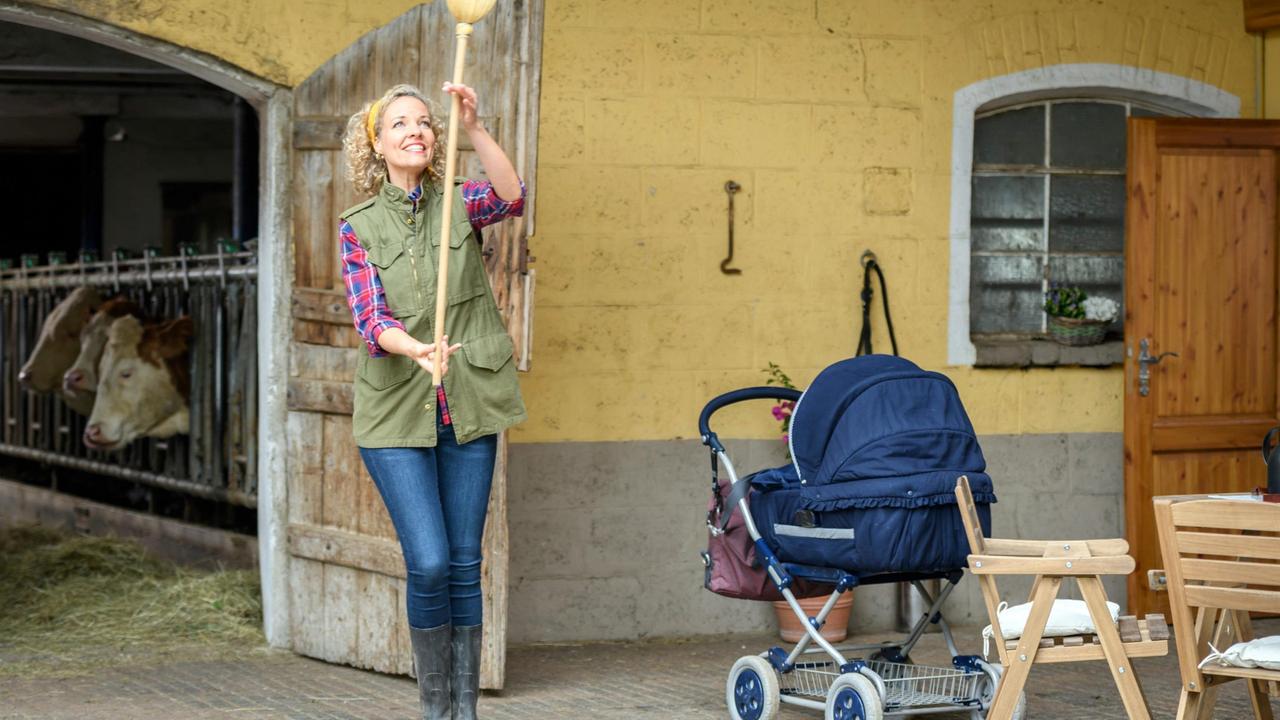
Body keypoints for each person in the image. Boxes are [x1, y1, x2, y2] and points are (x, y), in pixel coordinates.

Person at [339, 82, 526, 720]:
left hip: (469, 402)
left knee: (465, 563)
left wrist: (474, 127)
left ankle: (462, 713)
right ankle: (434, 710)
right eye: (400, 124)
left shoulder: (458, 203)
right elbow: (369, 317)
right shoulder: (357, 227)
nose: (416, 130)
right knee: (429, 561)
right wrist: (414, 348)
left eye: (425, 122)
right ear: (377, 142)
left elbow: (511, 195)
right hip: (395, 415)